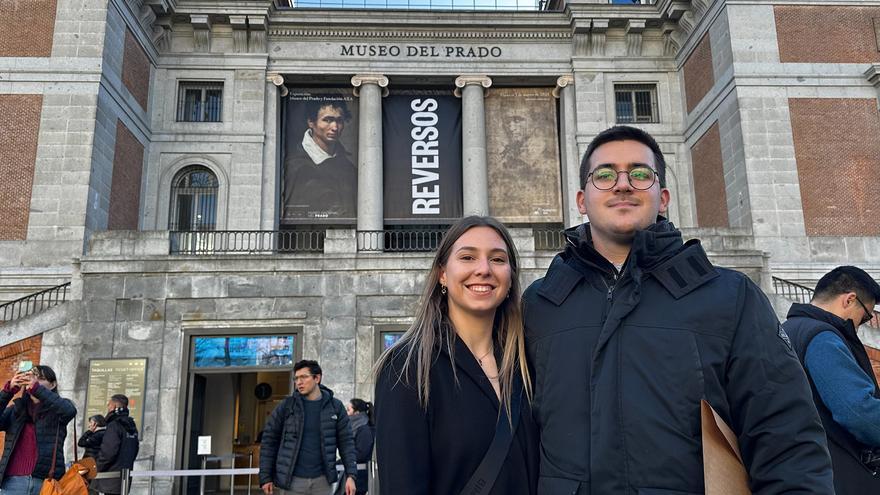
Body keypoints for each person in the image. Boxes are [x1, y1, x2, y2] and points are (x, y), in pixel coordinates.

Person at [522, 125, 833, 494]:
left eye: (640, 174)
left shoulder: (730, 297)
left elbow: (786, 437)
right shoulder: (539, 305)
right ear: (581, 199)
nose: (623, 184)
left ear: (664, 196)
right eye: (604, 175)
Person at [374, 215, 539, 495]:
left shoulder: (527, 362)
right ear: (442, 274)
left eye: (498, 259)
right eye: (467, 257)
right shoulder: (406, 368)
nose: (484, 269)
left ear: (510, 279)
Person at [782, 266, 880, 494]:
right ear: (849, 300)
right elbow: (858, 412)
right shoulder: (822, 338)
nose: (860, 324)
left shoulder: (787, 331)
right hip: (840, 475)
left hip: (805, 471)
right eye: (865, 316)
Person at [259, 360, 357, 495]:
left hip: (323, 482)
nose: (299, 382)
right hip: (291, 482)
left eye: (303, 377)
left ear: (317, 378)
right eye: (296, 378)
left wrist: (351, 475)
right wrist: (265, 477)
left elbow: (346, 442)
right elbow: (269, 441)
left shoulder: (335, 407)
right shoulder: (287, 406)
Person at [0, 365, 77, 495]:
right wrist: (8, 391)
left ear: (52, 385)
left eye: (40, 378)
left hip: (46, 482)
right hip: (13, 481)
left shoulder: (59, 408)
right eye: (30, 377)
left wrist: (37, 389)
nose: (33, 381)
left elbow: (70, 411)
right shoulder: (15, 409)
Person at [282, 100, 357, 221]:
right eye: (327, 120)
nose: (335, 127)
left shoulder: (349, 167)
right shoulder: (294, 165)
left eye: (339, 121)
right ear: (311, 122)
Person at [92, 395, 139, 495]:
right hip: (123, 477)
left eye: (109, 405)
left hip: (110, 477)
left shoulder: (114, 425)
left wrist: (96, 467)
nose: (108, 407)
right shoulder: (132, 426)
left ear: (114, 406)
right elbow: (135, 450)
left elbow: (108, 452)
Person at [344, 399, 373, 495]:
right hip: (353, 475)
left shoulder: (364, 430)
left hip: (359, 479)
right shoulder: (354, 428)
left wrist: (346, 458)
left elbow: (361, 454)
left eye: (348, 410)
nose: (346, 413)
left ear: (356, 413)